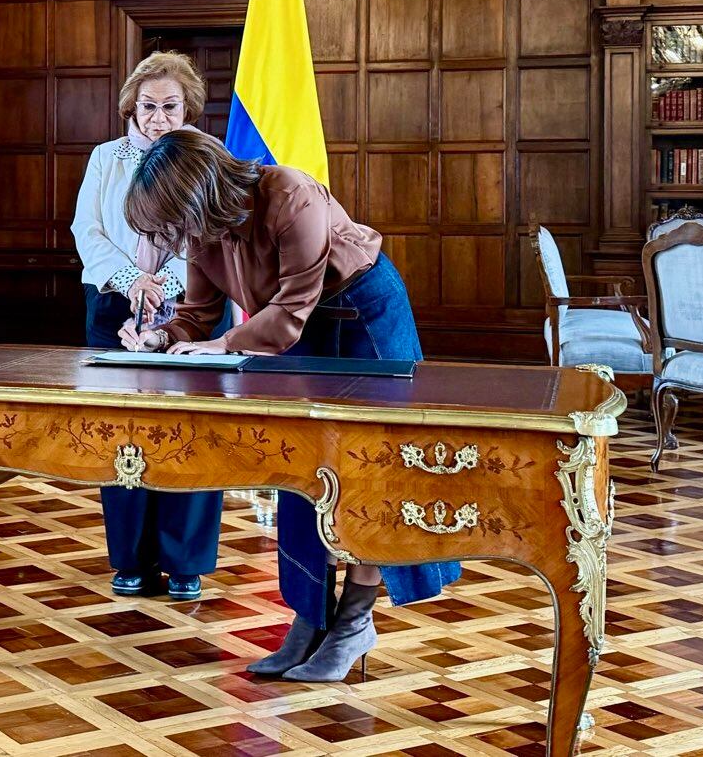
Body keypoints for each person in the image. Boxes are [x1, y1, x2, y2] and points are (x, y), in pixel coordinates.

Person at [119, 130, 459, 682]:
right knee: (299, 467)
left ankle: (353, 621)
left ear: (197, 196)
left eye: (172, 224)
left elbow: (292, 312)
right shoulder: (202, 232)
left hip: (361, 313)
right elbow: (197, 315)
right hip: (283, 329)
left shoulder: (289, 194)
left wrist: (222, 345)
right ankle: (309, 621)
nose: (174, 240)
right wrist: (159, 338)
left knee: (371, 469)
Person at [72, 52, 222, 603]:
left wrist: (177, 288)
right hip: (114, 303)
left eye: (171, 107)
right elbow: (86, 228)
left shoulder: (205, 158)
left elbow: (217, 236)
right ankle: (130, 558)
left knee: (192, 429)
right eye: (149, 106)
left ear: (189, 110)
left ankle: (186, 562)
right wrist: (134, 278)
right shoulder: (106, 158)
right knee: (122, 432)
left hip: (195, 304)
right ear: (132, 107)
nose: (159, 117)